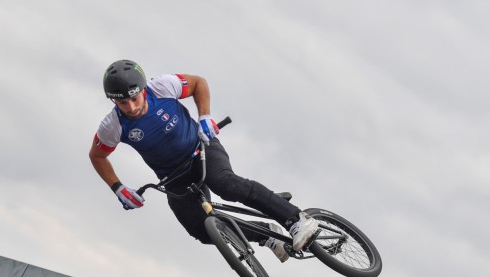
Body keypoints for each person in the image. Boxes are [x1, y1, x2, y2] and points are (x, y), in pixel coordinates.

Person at [89, 59, 319, 262]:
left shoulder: (161, 87)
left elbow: (198, 83)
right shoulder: (113, 125)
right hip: (174, 177)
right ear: (113, 101)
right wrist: (117, 188)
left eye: (134, 98)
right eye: (122, 103)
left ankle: (296, 219)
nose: (131, 107)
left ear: (142, 90)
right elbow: (97, 156)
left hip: (200, 149)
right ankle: (265, 233)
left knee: (226, 185)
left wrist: (205, 116)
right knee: (201, 229)